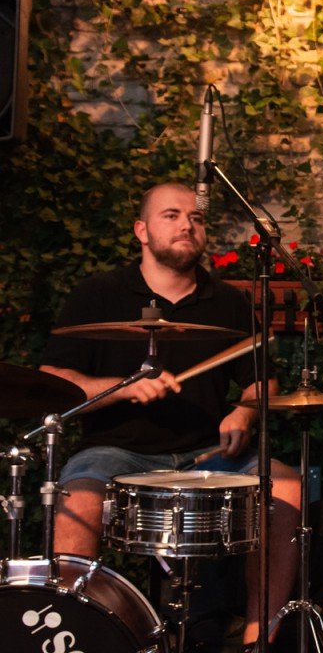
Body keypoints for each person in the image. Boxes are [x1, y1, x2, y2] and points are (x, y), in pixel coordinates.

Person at [39, 182, 301, 650]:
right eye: (171, 215)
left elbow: (262, 382)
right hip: (114, 452)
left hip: (207, 453)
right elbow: (54, 378)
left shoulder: (227, 302)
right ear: (141, 230)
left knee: (286, 486)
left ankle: (260, 637)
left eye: (196, 218)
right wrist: (121, 388)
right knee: (77, 497)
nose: (187, 225)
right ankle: (76, 634)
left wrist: (243, 412)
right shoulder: (98, 294)